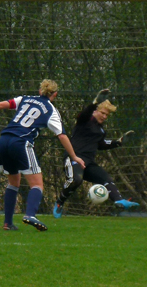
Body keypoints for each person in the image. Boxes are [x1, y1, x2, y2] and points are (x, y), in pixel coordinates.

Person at [0, 79, 85, 231]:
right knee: (37, 184)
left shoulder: (24, 99)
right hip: (21, 143)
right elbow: (62, 136)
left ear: (40, 91)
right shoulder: (51, 110)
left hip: (3, 140)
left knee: (13, 183)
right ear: (55, 95)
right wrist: (74, 157)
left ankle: (8, 223)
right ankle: (30, 215)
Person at [53, 88, 139, 218]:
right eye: (103, 113)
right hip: (74, 158)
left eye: (107, 115)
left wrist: (118, 142)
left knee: (105, 178)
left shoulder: (101, 130)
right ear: (95, 111)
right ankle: (59, 203)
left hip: (88, 162)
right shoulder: (85, 121)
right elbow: (83, 114)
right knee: (76, 180)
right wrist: (96, 101)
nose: (104, 116)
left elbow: (100, 144)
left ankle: (119, 201)